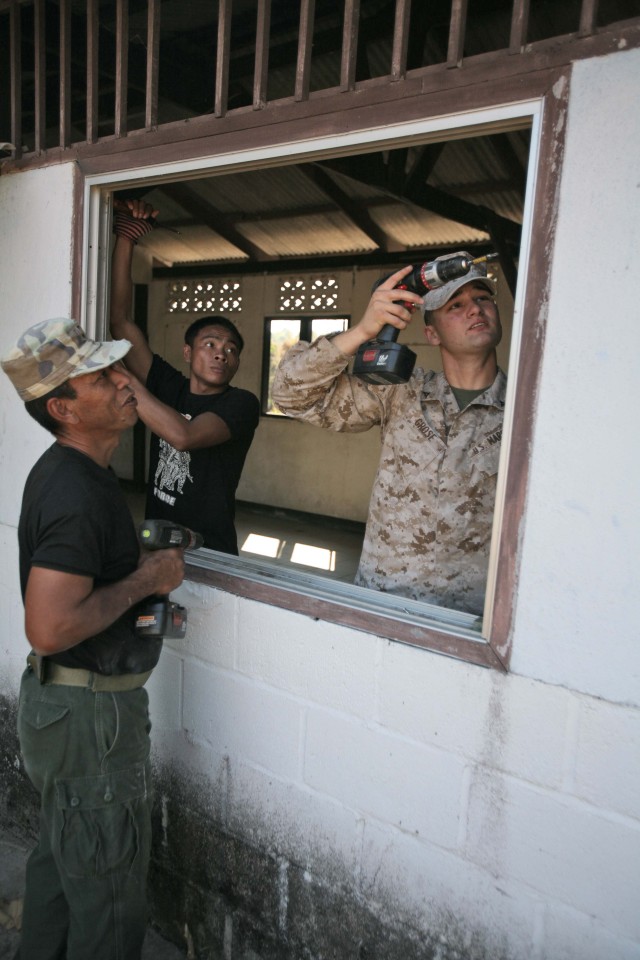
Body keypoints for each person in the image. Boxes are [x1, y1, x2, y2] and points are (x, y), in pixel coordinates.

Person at [0, 318, 185, 959]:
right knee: (107, 895)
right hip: (92, 721)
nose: (123, 381)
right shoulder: (77, 489)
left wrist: (139, 607)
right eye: (103, 376)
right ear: (63, 408)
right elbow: (49, 626)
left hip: (71, 709)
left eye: (118, 369)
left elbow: (84, 601)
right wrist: (146, 580)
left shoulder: (77, 473)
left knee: (62, 863)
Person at [271, 255, 506, 617]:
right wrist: (364, 330)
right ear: (432, 333)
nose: (474, 309)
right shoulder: (400, 391)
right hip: (382, 602)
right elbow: (290, 394)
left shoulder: (528, 408)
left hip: (474, 619)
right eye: (455, 305)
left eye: (482, 299)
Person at [109, 198, 260, 554]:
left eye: (232, 349)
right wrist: (127, 238)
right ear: (188, 352)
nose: (222, 352)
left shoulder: (240, 404)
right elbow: (120, 323)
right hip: (158, 540)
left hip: (209, 549)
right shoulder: (169, 386)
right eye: (210, 343)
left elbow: (183, 435)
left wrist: (121, 376)